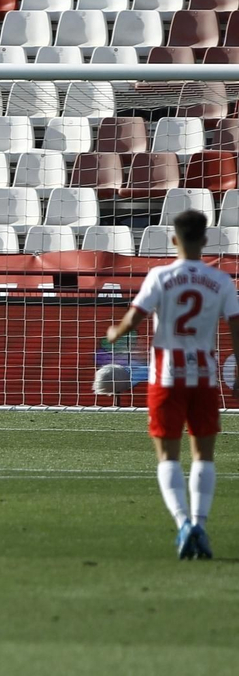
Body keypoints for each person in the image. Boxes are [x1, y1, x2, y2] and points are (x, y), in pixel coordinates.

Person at [105, 209, 237, 560]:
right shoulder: (221, 280)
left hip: (166, 376)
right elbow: (236, 329)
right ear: (205, 240)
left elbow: (134, 319)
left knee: (168, 456)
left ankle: (183, 523)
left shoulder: (160, 276)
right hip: (204, 377)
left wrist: (114, 333)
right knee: (204, 455)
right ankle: (200, 524)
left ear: (174, 239)